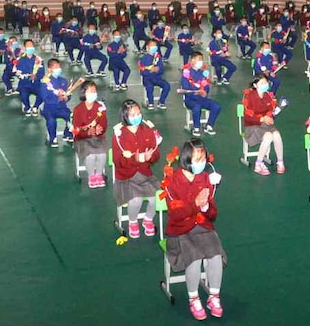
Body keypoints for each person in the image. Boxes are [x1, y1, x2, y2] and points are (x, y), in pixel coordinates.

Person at [161, 138, 226, 320]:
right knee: (194, 257)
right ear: (186, 158)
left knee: (215, 254)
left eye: (204, 158)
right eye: (198, 159)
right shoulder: (172, 181)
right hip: (179, 231)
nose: (201, 163)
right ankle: (194, 298)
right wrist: (196, 204)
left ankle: (214, 296)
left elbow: (212, 215)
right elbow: (175, 213)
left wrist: (205, 208)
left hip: (202, 227)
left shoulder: (205, 178)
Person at [112, 99, 161, 239]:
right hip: (126, 177)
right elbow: (117, 161)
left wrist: (149, 157)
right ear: (125, 116)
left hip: (145, 175)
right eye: (132, 114)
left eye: (138, 113)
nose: (137, 117)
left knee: (155, 198)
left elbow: (156, 154)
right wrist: (135, 158)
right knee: (136, 200)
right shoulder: (119, 135)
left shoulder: (148, 131)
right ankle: (132, 221)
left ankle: (148, 219)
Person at [241, 76, 285, 175]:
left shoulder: (268, 96)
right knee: (268, 136)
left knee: (277, 134)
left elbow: (270, 112)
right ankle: (258, 164)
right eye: (262, 83)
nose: (265, 85)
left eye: (266, 83)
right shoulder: (249, 97)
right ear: (255, 85)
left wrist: (272, 117)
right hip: (252, 126)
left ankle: (280, 161)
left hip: (265, 125)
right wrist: (262, 118)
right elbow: (248, 117)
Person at [72, 82, 108, 188]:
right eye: (90, 91)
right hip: (81, 139)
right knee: (91, 155)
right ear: (84, 93)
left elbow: (104, 124)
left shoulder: (100, 107)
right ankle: (92, 176)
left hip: (97, 138)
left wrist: (99, 129)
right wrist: (87, 132)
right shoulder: (78, 109)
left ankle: (99, 175)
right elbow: (76, 130)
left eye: (95, 91)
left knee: (102, 154)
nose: (93, 93)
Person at [181, 52, 221, 136]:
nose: (201, 62)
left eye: (202, 60)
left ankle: (209, 125)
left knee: (216, 107)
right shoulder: (186, 73)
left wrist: (205, 92)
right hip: (190, 99)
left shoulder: (202, 73)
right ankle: (196, 128)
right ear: (192, 61)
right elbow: (185, 88)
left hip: (202, 98)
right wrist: (197, 91)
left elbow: (206, 86)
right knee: (196, 107)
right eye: (199, 59)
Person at [40, 59, 75, 148]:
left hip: (62, 108)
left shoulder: (63, 81)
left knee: (72, 116)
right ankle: (53, 138)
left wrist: (67, 97)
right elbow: (45, 97)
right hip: (49, 109)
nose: (58, 69)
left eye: (59, 67)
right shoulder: (45, 81)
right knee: (51, 121)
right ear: (49, 69)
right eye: (55, 67)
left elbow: (68, 94)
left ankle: (67, 133)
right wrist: (57, 98)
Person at [15, 40, 45, 116]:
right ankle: (27, 107)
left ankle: (35, 107)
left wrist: (36, 76)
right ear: (25, 48)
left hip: (36, 84)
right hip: (24, 84)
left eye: (31, 46)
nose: (30, 48)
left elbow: (42, 73)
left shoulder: (39, 60)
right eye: (28, 46)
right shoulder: (20, 60)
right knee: (23, 94)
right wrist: (27, 77)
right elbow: (18, 74)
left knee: (44, 92)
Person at [139, 41, 170, 109]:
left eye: (155, 47)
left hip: (157, 78)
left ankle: (161, 102)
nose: (154, 49)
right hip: (147, 79)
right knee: (149, 87)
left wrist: (158, 69)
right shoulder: (143, 59)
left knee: (167, 86)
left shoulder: (158, 58)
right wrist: (150, 71)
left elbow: (162, 71)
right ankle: (151, 103)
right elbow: (142, 72)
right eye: (152, 47)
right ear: (147, 48)